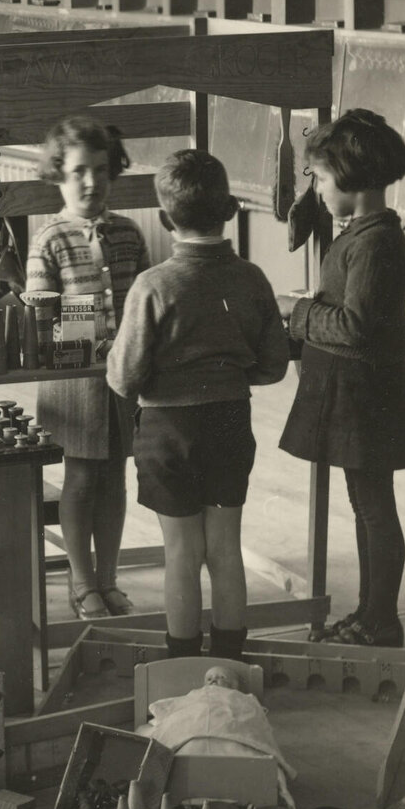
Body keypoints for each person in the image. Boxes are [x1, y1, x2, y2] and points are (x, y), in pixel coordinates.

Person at [106, 149, 290, 659]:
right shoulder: (251, 278)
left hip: (167, 428)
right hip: (231, 417)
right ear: (229, 210)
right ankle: (231, 662)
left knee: (181, 552)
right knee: (225, 549)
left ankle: (183, 665)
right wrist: (228, 372)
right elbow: (274, 364)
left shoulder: (153, 285)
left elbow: (123, 377)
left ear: (166, 219)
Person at [277, 108, 405, 647]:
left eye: (323, 179)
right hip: (355, 394)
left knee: (374, 508)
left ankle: (381, 620)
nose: (320, 190)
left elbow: (356, 328)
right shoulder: (362, 233)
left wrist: (297, 311)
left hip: (366, 396)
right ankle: (369, 614)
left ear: (352, 181)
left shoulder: (376, 242)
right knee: (367, 505)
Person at [26, 114, 149, 618]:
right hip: (71, 382)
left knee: (115, 481)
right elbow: (40, 314)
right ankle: (82, 583)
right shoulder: (50, 238)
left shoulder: (128, 233)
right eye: (79, 171)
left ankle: (108, 578)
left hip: (121, 381)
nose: (92, 182)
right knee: (79, 481)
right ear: (59, 173)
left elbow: (145, 302)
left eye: (100, 169)